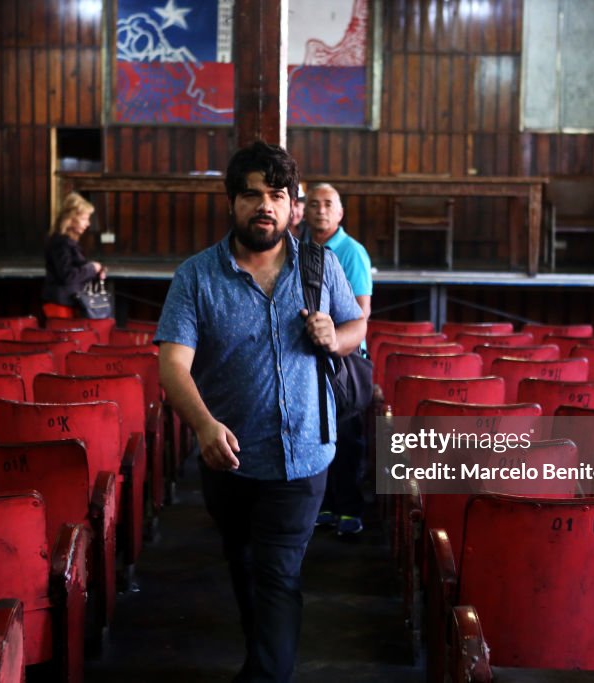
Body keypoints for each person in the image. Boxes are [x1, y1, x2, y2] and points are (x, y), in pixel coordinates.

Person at [155, 141, 366, 683]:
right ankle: (262, 658)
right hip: (228, 459)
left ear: (292, 204)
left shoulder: (320, 265)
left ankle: (265, 675)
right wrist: (203, 425)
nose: (264, 206)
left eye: (276, 195)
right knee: (246, 567)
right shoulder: (196, 277)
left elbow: (357, 328)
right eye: (251, 195)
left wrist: (334, 336)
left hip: (303, 458)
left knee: (277, 574)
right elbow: (173, 366)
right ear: (232, 203)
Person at [302, 183, 373, 536]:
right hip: (311, 355)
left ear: (340, 212)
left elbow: (361, 312)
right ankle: (325, 506)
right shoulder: (300, 250)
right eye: (313, 204)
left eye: (328, 204)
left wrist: (331, 333)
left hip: (343, 359)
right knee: (318, 435)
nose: (320, 210)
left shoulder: (350, 252)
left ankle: (349, 509)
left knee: (346, 437)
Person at [41, 192, 106, 319]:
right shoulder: (60, 243)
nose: (88, 223)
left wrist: (97, 270)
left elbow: (77, 269)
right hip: (60, 305)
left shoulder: (67, 242)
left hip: (67, 302)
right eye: (84, 219)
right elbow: (68, 275)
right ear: (70, 219)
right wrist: (92, 268)